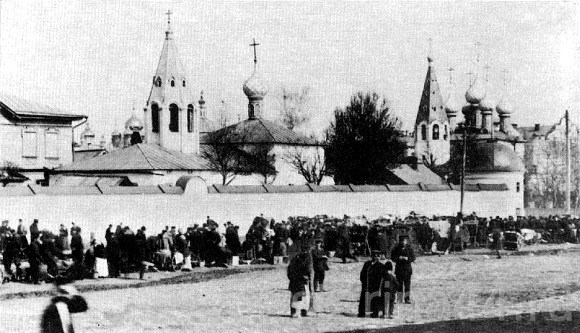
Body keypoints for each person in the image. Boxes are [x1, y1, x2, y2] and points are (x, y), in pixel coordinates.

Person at [358, 250, 390, 318]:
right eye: (374, 256)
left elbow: (386, 277)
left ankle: (374, 312)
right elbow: (362, 274)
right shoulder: (367, 264)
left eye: (377, 256)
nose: (376, 257)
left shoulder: (381, 266)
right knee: (364, 299)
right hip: (366, 285)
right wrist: (364, 282)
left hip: (376, 287)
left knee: (375, 300)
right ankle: (362, 312)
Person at [287, 248, 314, 318]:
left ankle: (295, 311)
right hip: (301, 281)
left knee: (295, 295)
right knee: (302, 296)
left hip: (294, 281)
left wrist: (291, 277)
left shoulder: (294, 259)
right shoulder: (307, 259)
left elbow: (289, 270)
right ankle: (301, 311)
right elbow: (309, 271)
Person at [391, 236, 415, 304]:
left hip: (407, 269)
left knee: (407, 285)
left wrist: (407, 258)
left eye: (405, 241)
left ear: (407, 241)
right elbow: (393, 258)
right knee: (399, 285)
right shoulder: (396, 249)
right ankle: (399, 298)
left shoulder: (409, 249)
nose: (403, 242)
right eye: (402, 241)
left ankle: (407, 299)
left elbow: (413, 258)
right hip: (399, 269)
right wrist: (399, 258)